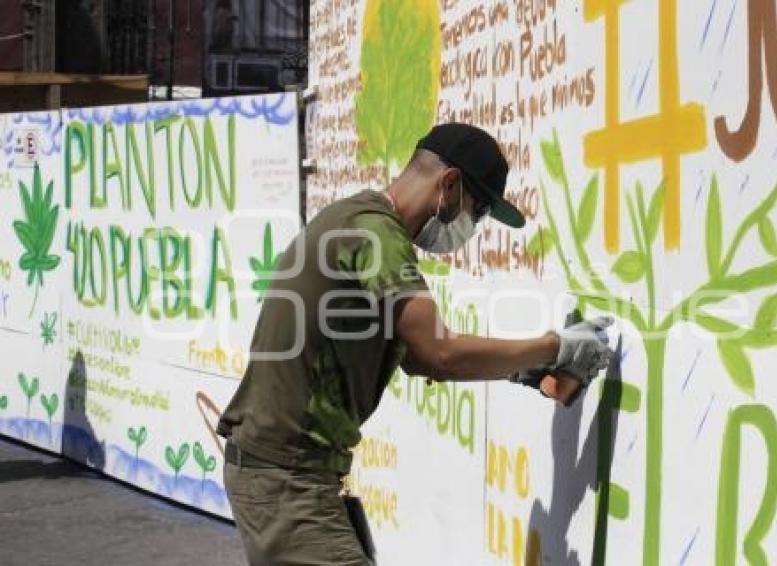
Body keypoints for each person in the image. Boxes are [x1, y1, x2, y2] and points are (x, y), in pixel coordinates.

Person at [217, 123, 614, 565]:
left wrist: (527, 371)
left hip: (280, 474)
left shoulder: (355, 219)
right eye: (477, 210)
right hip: (287, 480)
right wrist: (554, 346)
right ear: (448, 184)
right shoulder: (377, 234)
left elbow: (414, 358)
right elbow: (437, 354)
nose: (474, 226)